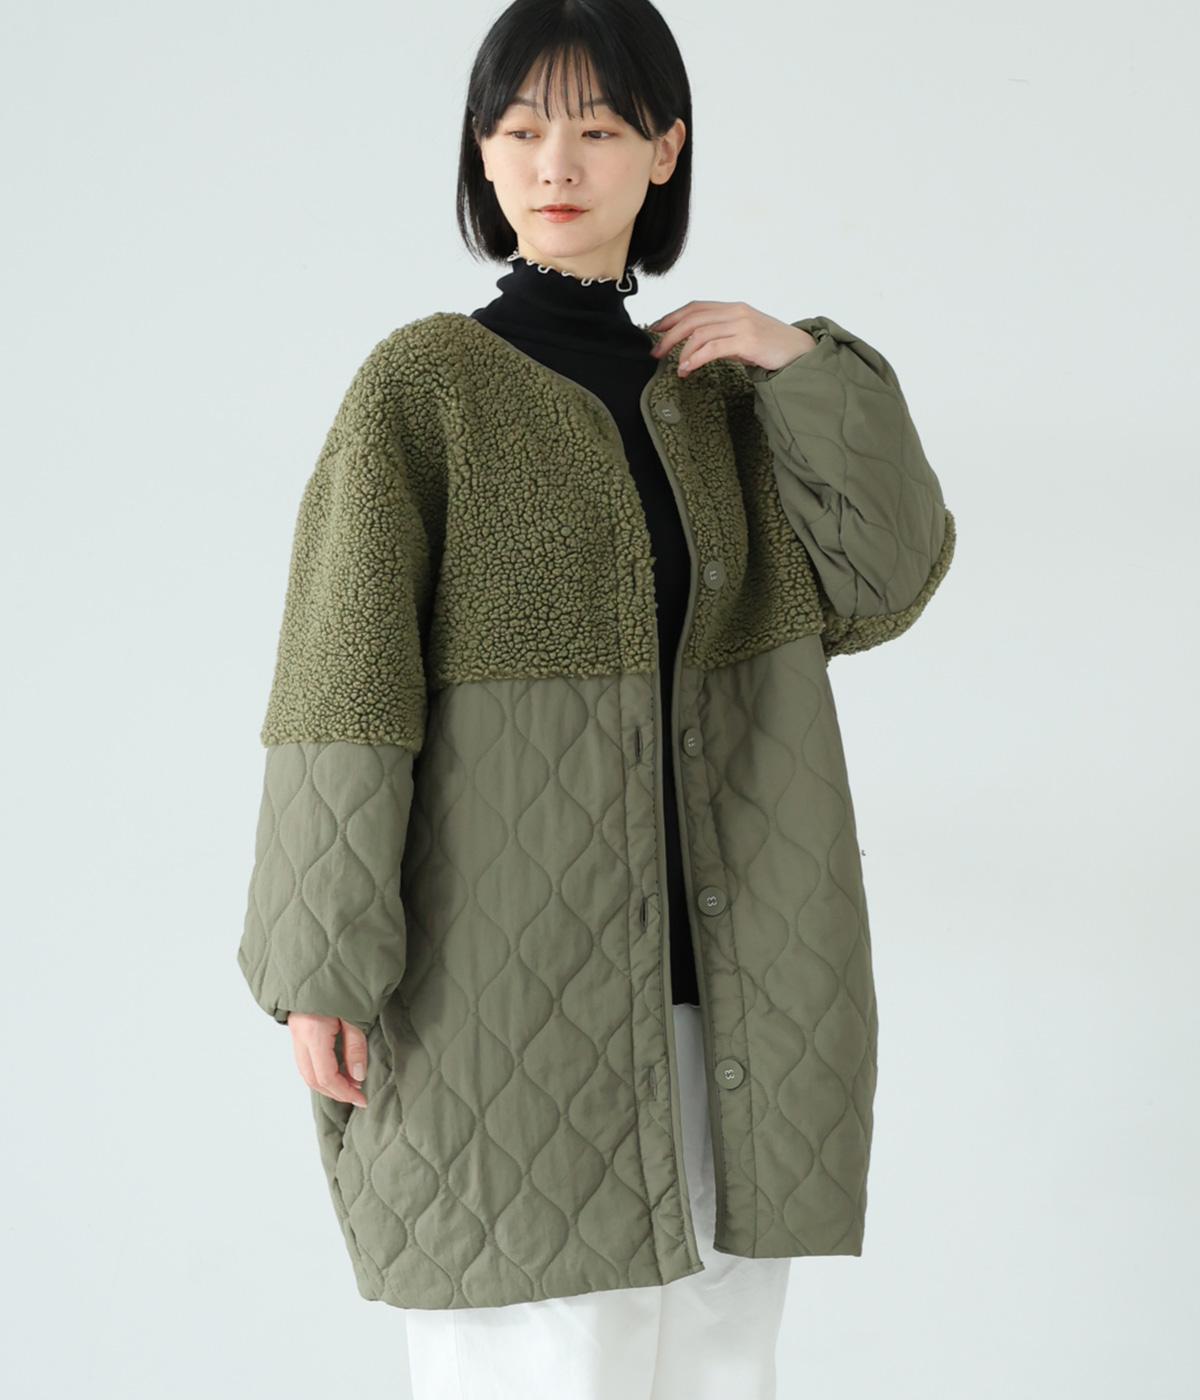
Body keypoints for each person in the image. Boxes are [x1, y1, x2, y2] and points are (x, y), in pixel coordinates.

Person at [236, 2, 956, 1396]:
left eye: (597, 128)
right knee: (547, 1366)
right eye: (518, 130)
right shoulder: (425, 390)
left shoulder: (731, 398)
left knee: (718, 1371)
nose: (553, 163)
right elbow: (341, 681)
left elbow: (890, 577)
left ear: (664, 149)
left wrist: (806, 369)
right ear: (482, 154)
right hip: (508, 1004)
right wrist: (319, 962)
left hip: (734, 1012)